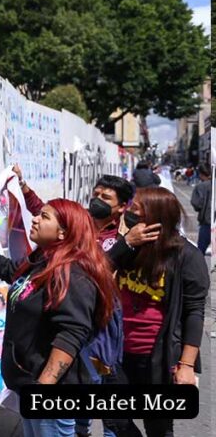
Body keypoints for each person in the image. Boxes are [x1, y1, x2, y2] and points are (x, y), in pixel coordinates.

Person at [0, 200, 119, 437]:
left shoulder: (72, 274)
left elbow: (71, 334)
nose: (35, 219)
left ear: (63, 232)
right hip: (29, 383)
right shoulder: (44, 261)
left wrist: (44, 385)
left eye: (44, 217)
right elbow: (11, 271)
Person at [103, 187, 210, 437]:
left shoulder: (186, 256)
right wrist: (125, 244)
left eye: (136, 210)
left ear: (155, 215)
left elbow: (194, 313)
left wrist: (186, 365)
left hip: (158, 359)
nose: (129, 214)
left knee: (158, 427)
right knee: (114, 419)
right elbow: (95, 271)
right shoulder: (130, 248)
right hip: (119, 355)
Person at [16, 166, 134, 252]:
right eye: (95, 194)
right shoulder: (78, 218)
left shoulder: (127, 233)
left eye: (105, 197)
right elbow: (43, 211)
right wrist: (21, 184)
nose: (98, 200)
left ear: (122, 207)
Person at [190, 166, 211, 255]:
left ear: (201, 174)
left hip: (206, 221)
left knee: (200, 250)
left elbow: (196, 203)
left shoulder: (200, 186)